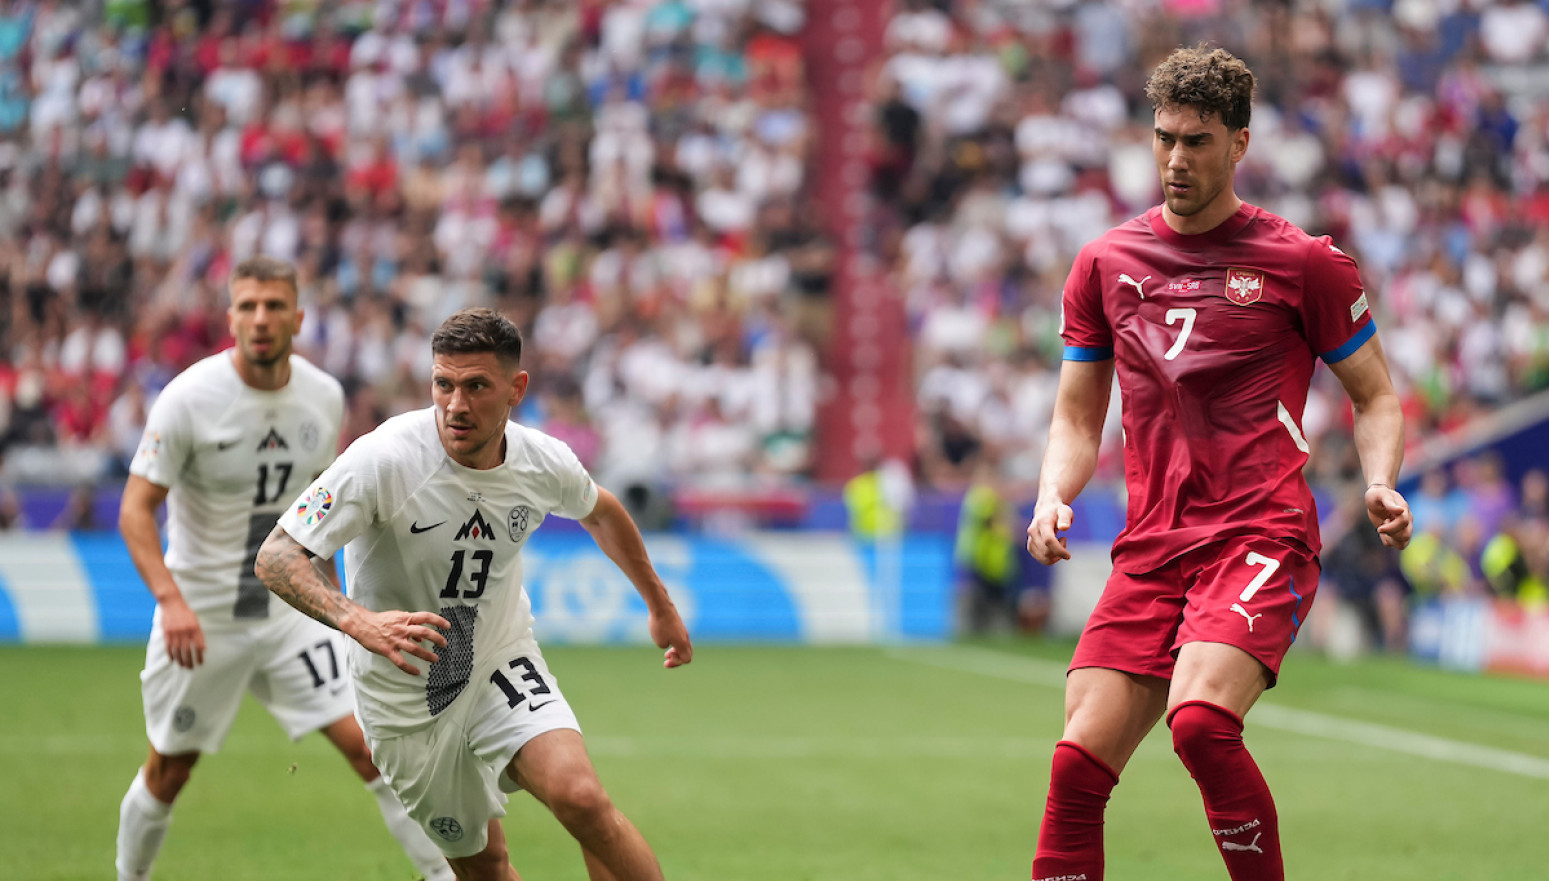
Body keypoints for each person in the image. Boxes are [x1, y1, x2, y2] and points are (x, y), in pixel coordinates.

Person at [1023, 47, 1414, 881]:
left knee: (1199, 722)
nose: (1174, 159)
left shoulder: (1302, 262)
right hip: (1153, 545)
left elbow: (1375, 395)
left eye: (1196, 142)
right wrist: (1051, 494)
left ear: (1238, 144)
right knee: (1073, 766)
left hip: (1258, 532)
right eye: (1163, 137)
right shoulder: (1102, 263)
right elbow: (1075, 414)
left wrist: (1380, 479)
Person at [255, 307, 693, 881]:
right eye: (444, 384)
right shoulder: (382, 459)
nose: (456, 405)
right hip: (404, 697)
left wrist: (659, 605)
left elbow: (603, 511)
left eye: (476, 386)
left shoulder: (541, 461)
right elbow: (276, 555)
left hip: (494, 658)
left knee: (581, 799)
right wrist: (360, 622)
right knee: (487, 865)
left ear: (516, 389)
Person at [115, 257, 455, 881]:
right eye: (247, 306)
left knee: (372, 750)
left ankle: (442, 876)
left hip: (290, 610)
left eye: (274, 306)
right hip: (203, 615)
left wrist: (347, 600)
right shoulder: (188, 398)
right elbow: (136, 512)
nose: (261, 319)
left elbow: (327, 509)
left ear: (298, 318)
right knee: (170, 769)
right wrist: (170, 602)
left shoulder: (322, 397)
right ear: (231, 318)